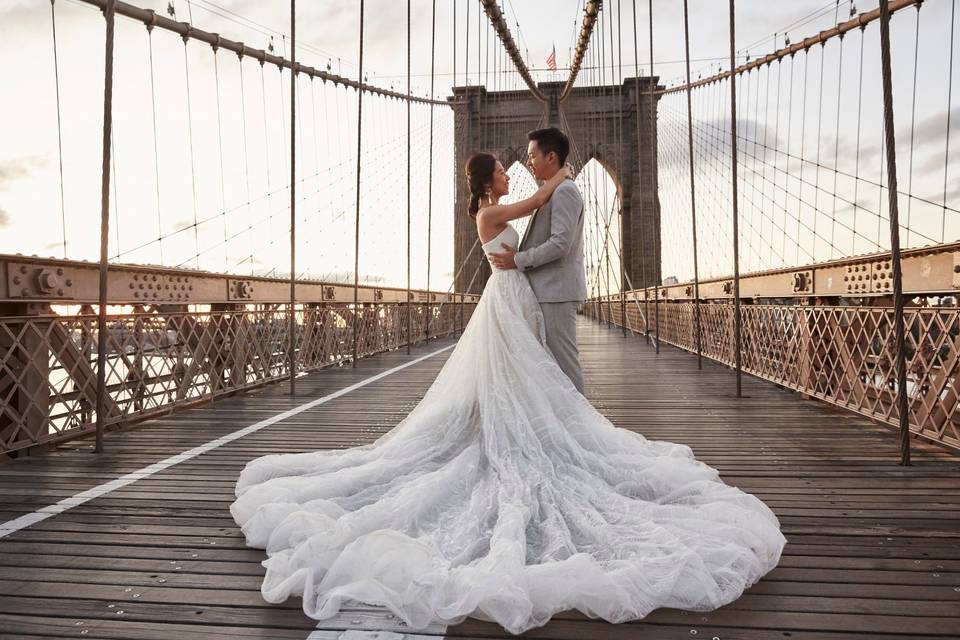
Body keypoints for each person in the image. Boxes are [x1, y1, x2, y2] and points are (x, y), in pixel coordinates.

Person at [230, 137, 786, 636]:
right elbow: (536, 206)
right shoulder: (494, 210)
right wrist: (559, 177)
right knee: (517, 378)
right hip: (511, 296)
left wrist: (555, 181)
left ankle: (542, 432)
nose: (509, 170)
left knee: (522, 378)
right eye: (501, 166)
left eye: (515, 163)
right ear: (486, 181)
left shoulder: (496, 205)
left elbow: (541, 212)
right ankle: (539, 438)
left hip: (517, 296)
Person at [488, 127, 587, 392]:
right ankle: (566, 426)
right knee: (550, 365)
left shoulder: (565, 191)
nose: (528, 162)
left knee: (564, 364)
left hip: (554, 292)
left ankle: (582, 428)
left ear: (551, 157)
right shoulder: (553, 190)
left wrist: (516, 260)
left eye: (532, 155)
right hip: (543, 291)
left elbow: (559, 245)